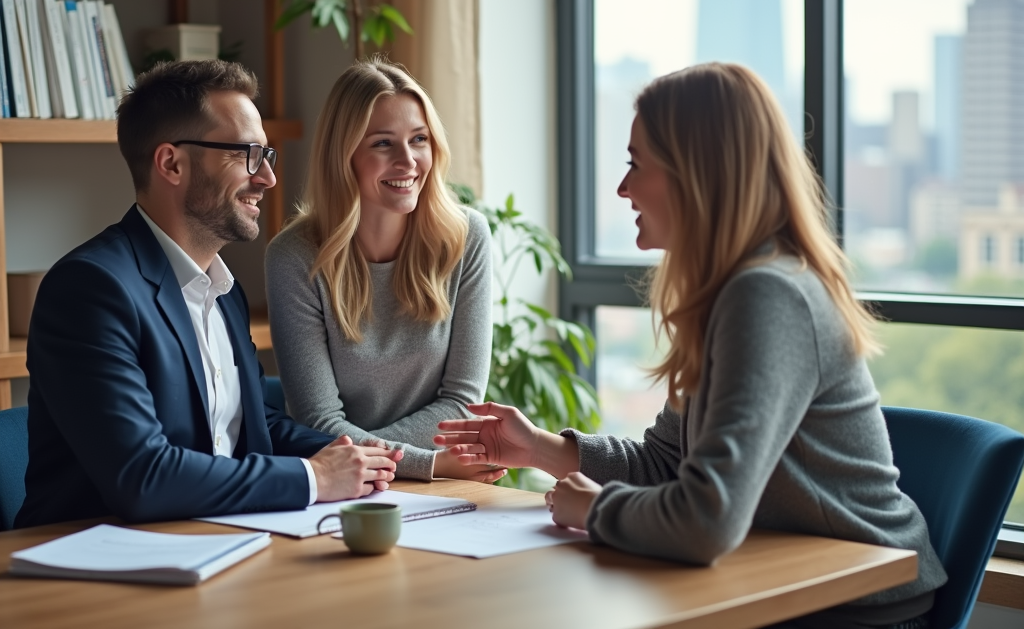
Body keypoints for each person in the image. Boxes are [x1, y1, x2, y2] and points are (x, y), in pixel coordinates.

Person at [435, 63, 947, 628]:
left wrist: (598, 509)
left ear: (695, 174)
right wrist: (539, 450)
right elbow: (667, 463)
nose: (622, 188)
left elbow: (707, 519)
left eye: (635, 164)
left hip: (857, 606)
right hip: (782, 580)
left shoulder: (767, 297)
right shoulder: (729, 292)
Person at [16, 60, 402, 529]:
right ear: (171, 163)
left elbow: (254, 424)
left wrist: (354, 454)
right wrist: (314, 478)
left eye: (267, 156)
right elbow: (144, 477)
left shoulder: (223, 289)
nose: (267, 179)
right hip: (94, 572)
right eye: (246, 155)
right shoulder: (90, 290)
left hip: (219, 541)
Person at [265, 58, 501, 483]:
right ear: (344, 155)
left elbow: (464, 402)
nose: (408, 161)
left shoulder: (467, 239)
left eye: (419, 139)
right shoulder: (294, 256)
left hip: (418, 479)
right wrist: (422, 462)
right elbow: (317, 419)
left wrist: (371, 461)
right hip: (349, 487)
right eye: (382, 143)